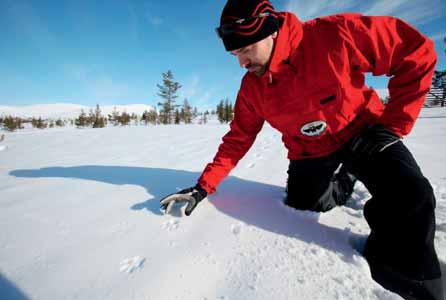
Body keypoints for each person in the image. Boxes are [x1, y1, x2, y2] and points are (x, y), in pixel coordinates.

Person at [160, 0, 443, 298]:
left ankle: (413, 279)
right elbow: (237, 140)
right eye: (234, 53)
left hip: (366, 135)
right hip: (310, 151)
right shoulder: (252, 88)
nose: (241, 63)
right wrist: (203, 187)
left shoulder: (333, 35)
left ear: (269, 32)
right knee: (303, 204)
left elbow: (416, 50)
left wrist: (393, 126)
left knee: (413, 195)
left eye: (245, 50)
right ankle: (345, 178)